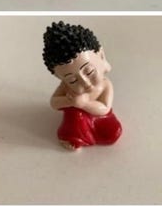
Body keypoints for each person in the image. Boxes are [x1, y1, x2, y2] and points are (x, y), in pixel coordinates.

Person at [42, 22, 122, 150]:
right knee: (75, 115)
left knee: (112, 132)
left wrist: (84, 104)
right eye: (73, 80)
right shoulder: (65, 86)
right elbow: (54, 103)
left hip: (99, 118)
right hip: (76, 122)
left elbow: (105, 109)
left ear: (101, 56)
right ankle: (75, 139)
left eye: (89, 72)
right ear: (61, 78)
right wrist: (69, 101)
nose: (85, 82)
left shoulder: (105, 85)